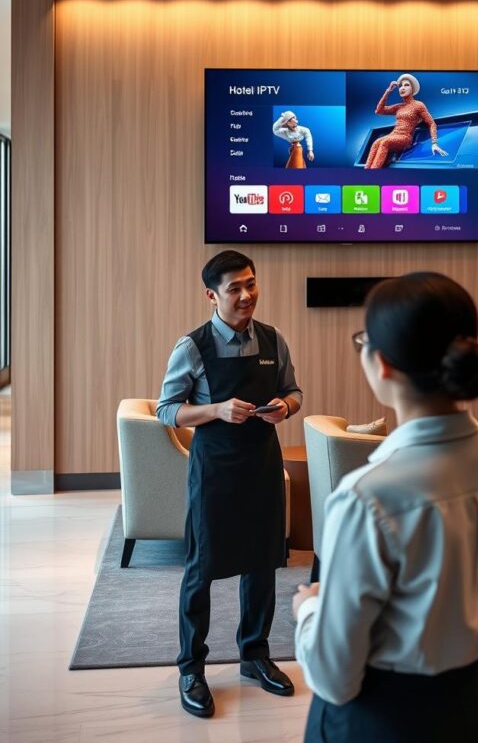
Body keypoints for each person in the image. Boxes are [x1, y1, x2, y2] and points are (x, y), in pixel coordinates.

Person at [293, 272, 478, 743]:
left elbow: (333, 675)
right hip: (471, 703)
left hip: (381, 719)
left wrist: (308, 609)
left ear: (381, 362)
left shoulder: (367, 495)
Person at [157, 250, 302, 719]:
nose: (246, 296)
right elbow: (166, 409)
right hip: (215, 471)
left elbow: (294, 391)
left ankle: (254, 655)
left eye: (251, 284)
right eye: (234, 288)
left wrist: (286, 407)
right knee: (201, 570)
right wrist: (216, 410)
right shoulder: (192, 347)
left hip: (261, 464)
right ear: (212, 295)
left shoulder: (273, 340)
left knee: (262, 563)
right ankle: (191, 668)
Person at [364, 73, 448, 168]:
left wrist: (434, 143)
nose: (402, 88)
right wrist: (388, 91)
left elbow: (431, 123)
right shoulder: (399, 107)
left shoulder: (418, 105)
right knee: (376, 143)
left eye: (406, 85)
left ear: (412, 89)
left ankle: (372, 175)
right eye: (401, 86)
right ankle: (366, 172)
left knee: (384, 142)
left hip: (405, 138)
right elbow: (379, 111)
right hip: (393, 135)